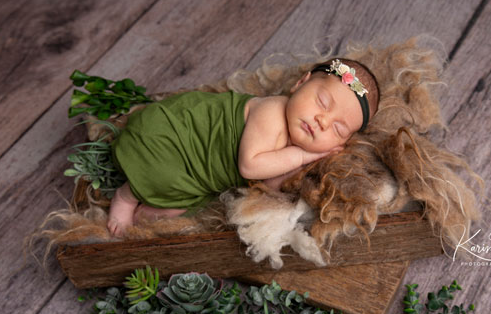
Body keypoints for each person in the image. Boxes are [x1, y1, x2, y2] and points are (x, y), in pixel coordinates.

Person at [107, 58, 380, 236]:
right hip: (174, 138)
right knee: (164, 174)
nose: (322, 121)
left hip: (202, 170)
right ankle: (127, 196)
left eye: (337, 129)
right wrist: (301, 154)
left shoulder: (298, 143)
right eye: (322, 102)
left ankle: (151, 207)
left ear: (342, 144)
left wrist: (299, 167)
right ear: (301, 83)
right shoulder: (272, 111)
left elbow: (267, 186)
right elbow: (250, 166)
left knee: (188, 205)